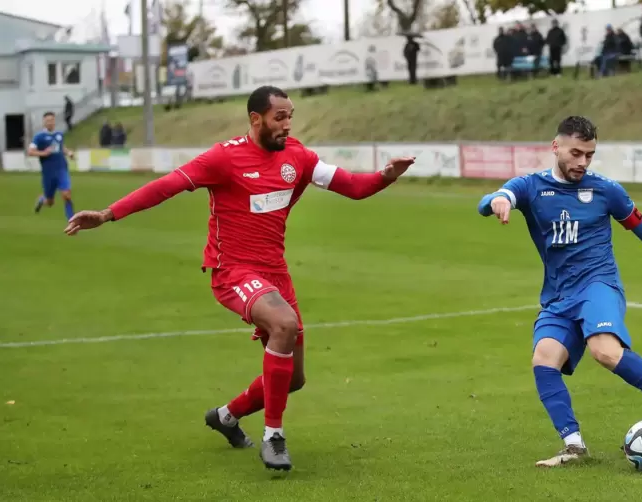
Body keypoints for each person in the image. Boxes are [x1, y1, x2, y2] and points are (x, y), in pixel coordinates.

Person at [63, 86, 414, 472]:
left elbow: (354, 186)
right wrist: (109, 214)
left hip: (275, 273)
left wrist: (386, 175)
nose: (287, 124)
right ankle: (273, 437)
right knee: (284, 324)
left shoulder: (298, 157)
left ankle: (226, 416)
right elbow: (167, 186)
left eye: (290, 116)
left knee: (293, 379)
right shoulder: (224, 158)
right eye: (279, 117)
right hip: (232, 270)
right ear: (255, 119)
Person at [476, 116, 642, 467]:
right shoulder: (530, 187)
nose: (582, 162)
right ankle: (574, 448)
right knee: (544, 358)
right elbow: (492, 200)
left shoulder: (606, 190)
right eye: (576, 152)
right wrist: (497, 200)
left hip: (599, 285)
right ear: (556, 146)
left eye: (589, 155)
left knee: (604, 352)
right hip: (559, 295)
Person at [28, 111, 75, 220]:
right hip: (48, 173)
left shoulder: (59, 135)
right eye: (48, 121)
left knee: (66, 195)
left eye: (52, 120)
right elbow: (30, 152)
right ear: (44, 122)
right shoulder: (39, 137)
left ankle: (72, 221)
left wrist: (68, 153)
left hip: (61, 169)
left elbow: (60, 147)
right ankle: (42, 200)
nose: (50, 123)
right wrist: (43, 153)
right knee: (49, 202)